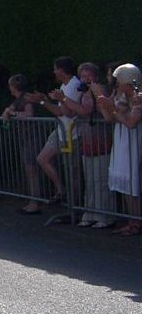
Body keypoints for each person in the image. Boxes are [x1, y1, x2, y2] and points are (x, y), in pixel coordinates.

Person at [91, 63, 142, 236]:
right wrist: (102, 100)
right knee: (127, 185)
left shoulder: (138, 97)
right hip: (122, 142)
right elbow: (109, 118)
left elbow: (131, 122)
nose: (116, 83)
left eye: (119, 80)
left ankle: (136, 222)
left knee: (133, 184)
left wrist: (112, 108)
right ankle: (132, 220)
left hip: (133, 143)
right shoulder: (122, 96)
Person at [63, 63, 114, 227]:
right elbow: (72, 111)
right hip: (88, 142)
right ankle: (89, 212)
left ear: (95, 77)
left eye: (88, 76)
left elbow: (86, 110)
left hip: (101, 142)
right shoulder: (82, 93)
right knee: (90, 181)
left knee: (101, 180)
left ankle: (105, 215)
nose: (86, 80)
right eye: (83, 77)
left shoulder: (101, 91)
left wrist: (64, 99)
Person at [26, 56, 82, 204]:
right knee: (42, 158)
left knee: (72, 172)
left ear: (62, 70)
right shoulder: (64, 86)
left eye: (56, 69)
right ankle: (61, 190)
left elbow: (64, 112)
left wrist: (43, 102)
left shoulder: (75, 85)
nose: (54, 72)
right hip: (61, 130)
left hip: (72, 133)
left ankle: (74, 206)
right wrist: (45, 100)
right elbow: (61, 110)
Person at [2, 74, 41, 214]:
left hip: (32, 137)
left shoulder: (26, 98)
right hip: (25, 138)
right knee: (29, 170)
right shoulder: (19, 99)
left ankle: (35, 202)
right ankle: (32, 201)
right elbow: (6, 112)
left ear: (14, 86)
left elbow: (28, 115)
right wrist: (8, 112)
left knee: (32, 171)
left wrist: (11, 114)